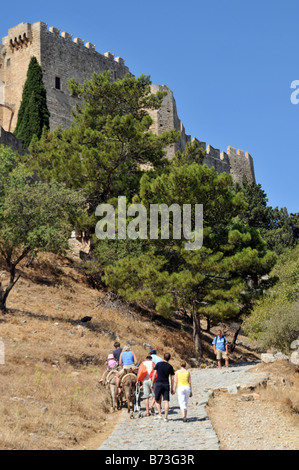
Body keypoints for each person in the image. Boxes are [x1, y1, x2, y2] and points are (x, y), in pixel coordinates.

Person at [151, 352, 175, 422]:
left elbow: (154, 374)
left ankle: (160, 414)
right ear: (169, 359)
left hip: (158, 383)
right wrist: (172, 387)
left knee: (156, 399)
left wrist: (152, 383)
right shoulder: (170, 366)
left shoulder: (158, 364)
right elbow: (172, 378)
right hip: (166, 384)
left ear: (163, 357)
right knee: (166, 401)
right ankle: (166, 417)